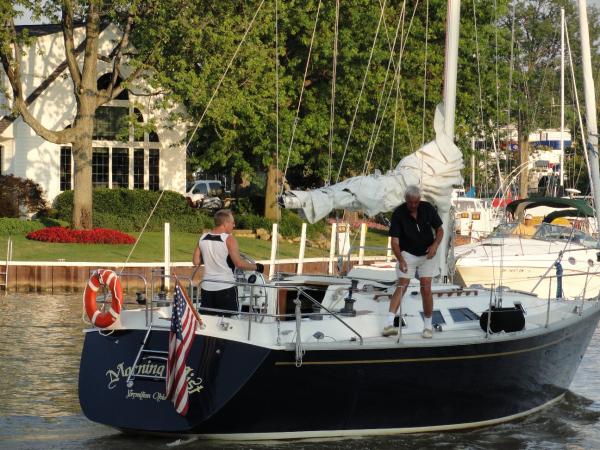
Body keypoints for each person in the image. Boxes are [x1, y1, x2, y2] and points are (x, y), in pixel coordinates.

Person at [383, 185, 444, 339]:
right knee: (402, 284)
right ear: (406, 200)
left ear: (419, 200)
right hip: (407, 254)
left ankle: (428, 327)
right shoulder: (398, 214)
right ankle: (389, 324)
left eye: (416, 202)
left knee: (426, 287)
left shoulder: (428, 208)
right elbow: (395, 242)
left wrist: (435, 245)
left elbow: (440, 230)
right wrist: (401, 260)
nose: (413, 205)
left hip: (427, 254)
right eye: (410, 202)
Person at [193, 209, 264, 316]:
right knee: (230, 321)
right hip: (225, 287)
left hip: (206, 287)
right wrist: (257, 267)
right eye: (232, 222)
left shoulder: (202, 238)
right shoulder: (229, 239)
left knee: (208, 322)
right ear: (225, 223)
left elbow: (196, 261)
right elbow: (238, 263)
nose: (234, 225)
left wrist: (210, 257)